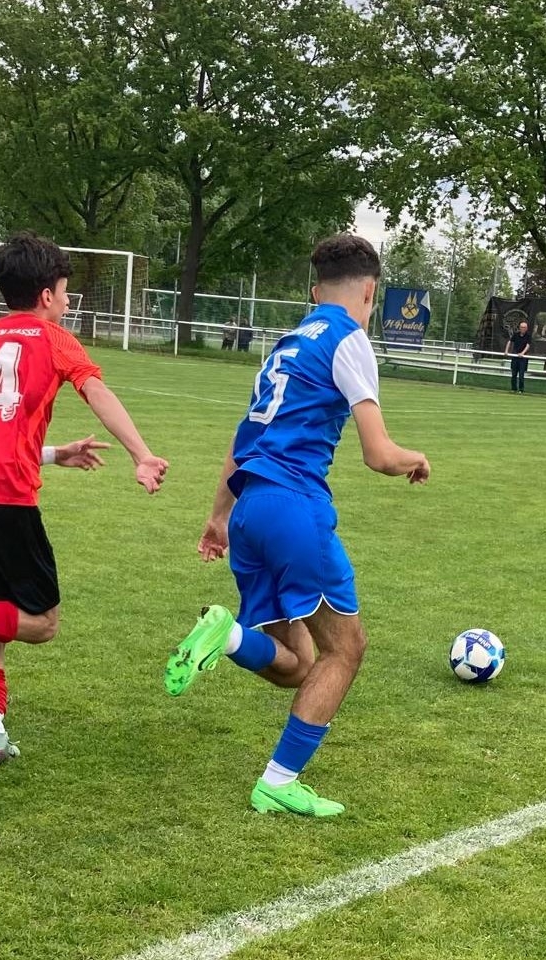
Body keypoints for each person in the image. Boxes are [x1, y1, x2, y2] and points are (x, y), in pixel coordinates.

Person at [163, 234, 430, 817]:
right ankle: (279, 782)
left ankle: (227, 636)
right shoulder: (349, 338)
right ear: (370, 291)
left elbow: (243, 438)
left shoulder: (285, 347)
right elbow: (378, 454)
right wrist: (415, 459)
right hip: (294, 509)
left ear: (314, 292)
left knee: (297, 663)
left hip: (251, 508)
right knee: (346, 648)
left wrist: (218, 516)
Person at [0, 231, 169, 769]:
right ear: (47, 294)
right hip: (3, 497)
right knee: (42, 623)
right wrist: (141, 454)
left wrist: (53, 454)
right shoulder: (53, 337)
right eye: (66, 293)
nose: (68, 303)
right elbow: (96, 391)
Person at [506, 319, 532, 392]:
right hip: (515, 357)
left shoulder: (528, 336)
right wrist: (506, 351)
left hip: (523, 358)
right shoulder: (516, 334)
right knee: (514, 374)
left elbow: (528, 345)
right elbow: (509, 341)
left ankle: (521, 389)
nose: (523, 329)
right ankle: (513, 389)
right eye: (522, 327)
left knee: (521, 375)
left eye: (524, 327)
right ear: (519, 328)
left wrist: (522, 353)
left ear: (526, 328)